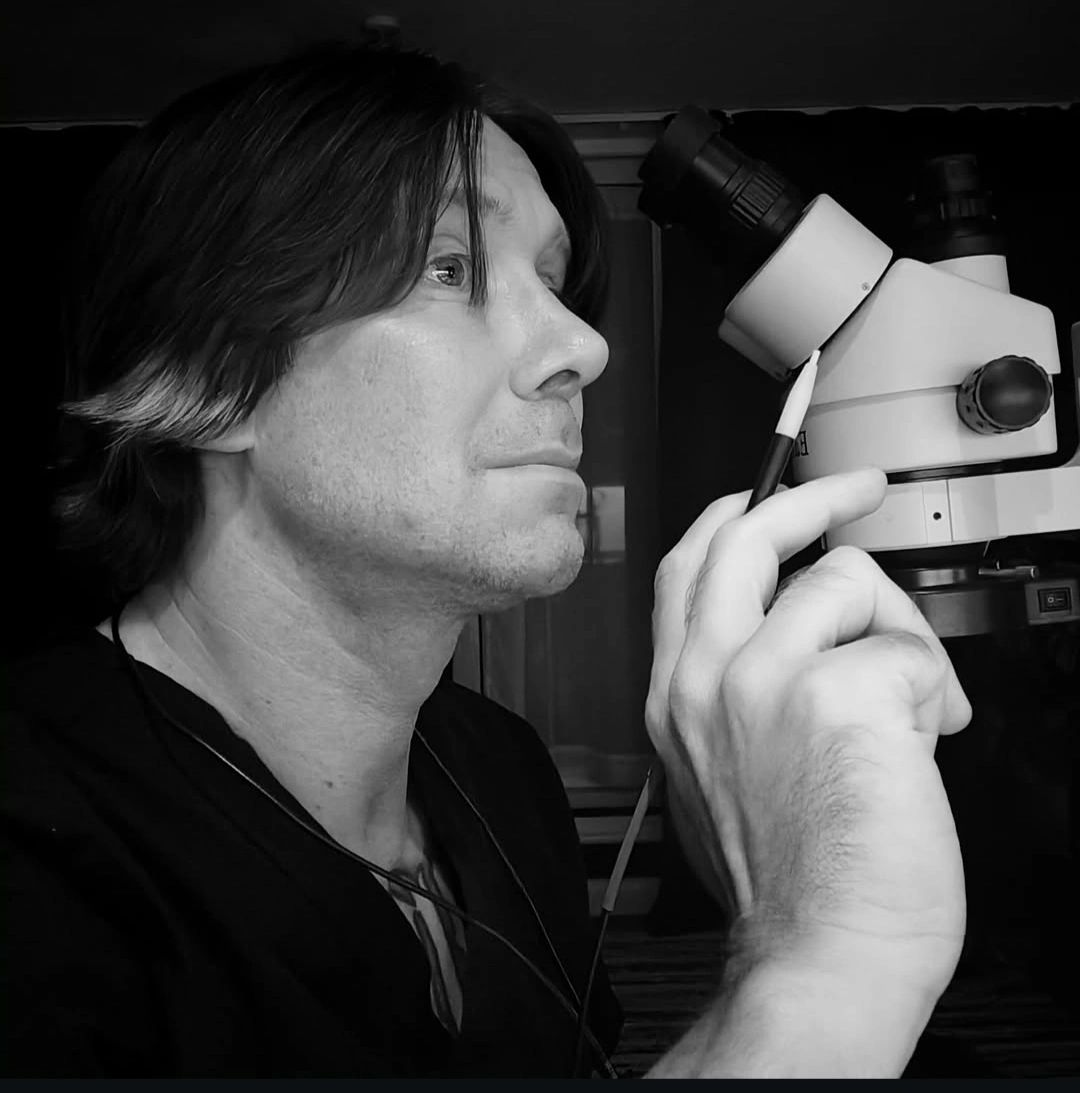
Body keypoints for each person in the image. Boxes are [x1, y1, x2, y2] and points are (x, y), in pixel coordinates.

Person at [1, 40, 973, 1078]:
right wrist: (819, 971)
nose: (582, 347)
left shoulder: (500, 769)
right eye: (448, 265)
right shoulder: (33, 852)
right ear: (211, 375)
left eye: (554, 282)